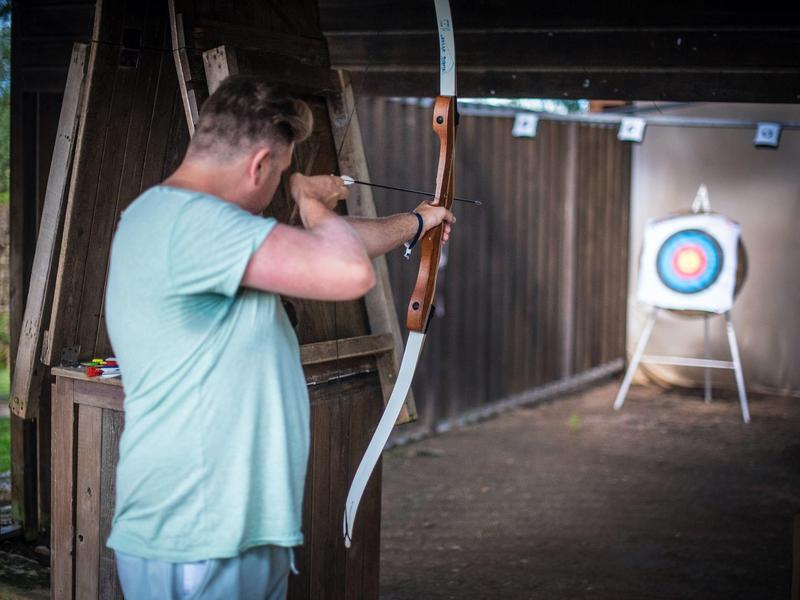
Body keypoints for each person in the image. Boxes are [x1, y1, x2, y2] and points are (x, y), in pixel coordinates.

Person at [103, 75, 455, 599]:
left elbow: (332, 250)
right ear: (259, 164)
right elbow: (346, 272)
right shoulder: (194, 224)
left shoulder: (176, 219)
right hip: (204, 536)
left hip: (213, 531)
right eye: (282, 171)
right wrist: (312, 199)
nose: (279, 186)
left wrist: (416, 222)